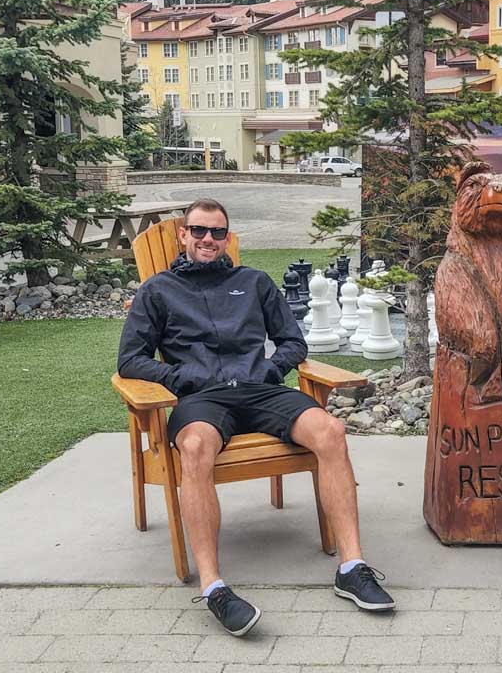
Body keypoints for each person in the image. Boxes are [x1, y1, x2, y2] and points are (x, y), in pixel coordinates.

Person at [117, 197, 394, 638]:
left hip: (259, 389)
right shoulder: (158, 290)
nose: (208, 239)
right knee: (195, 447)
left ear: (227, 238)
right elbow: (130, 359)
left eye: (217, 232)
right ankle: (213, 587)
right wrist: (180, 377)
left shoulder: (253, 282)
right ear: (183, 234)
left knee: (331, 430)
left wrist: (268, 370)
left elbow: (293, 342)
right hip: (202, 397)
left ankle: (352, 567)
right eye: (199, 230)